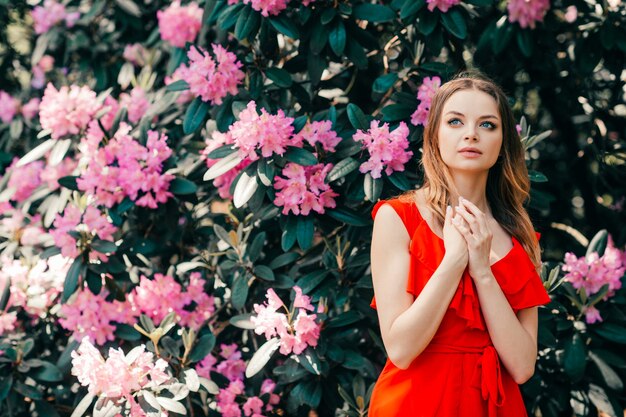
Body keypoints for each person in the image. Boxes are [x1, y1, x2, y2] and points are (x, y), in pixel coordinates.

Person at [368, 71, 551, 417]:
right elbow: (401, 349)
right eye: (455, 121)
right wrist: (454, 261)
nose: (471, 134)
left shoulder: (520, 237)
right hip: (415, 403)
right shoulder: (398, 218)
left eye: (487, 125)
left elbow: (523, 366)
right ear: (434, 136)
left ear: (502, 145)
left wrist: (482, 271)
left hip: (493, 407)